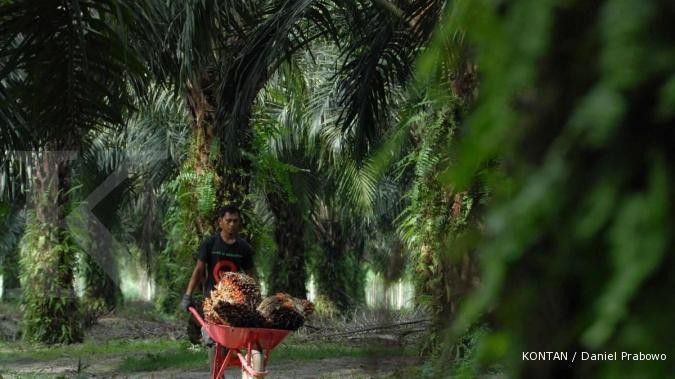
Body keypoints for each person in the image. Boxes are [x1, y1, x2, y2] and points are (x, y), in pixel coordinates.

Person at [180, 204, 256, 311]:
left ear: (239, 222)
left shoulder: (244, 248)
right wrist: (188, 295)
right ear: (220, 222)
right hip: (211, 298)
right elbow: (199, 270)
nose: (232, 224)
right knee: (204, 327)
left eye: (235, 221)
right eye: (228, 221)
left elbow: (250, 276)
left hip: (234, 301)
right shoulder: (210, 243)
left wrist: (253, 299)